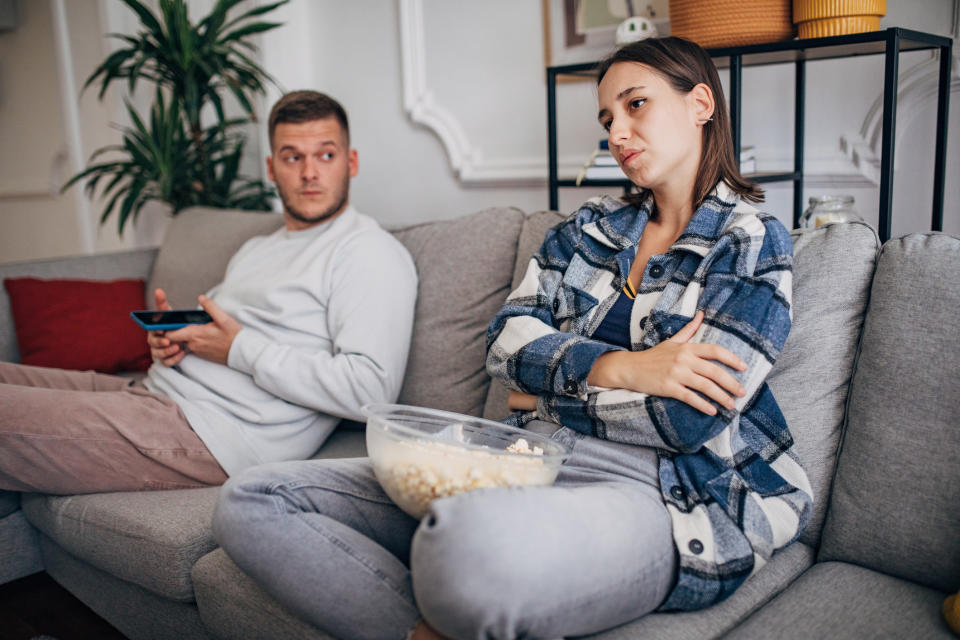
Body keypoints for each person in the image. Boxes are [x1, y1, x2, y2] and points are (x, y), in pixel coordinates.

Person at [212, 38, 812, 639]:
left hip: (658, 490)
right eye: (608, 119)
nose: (618, 133)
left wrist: (543, 394)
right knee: (252, 499)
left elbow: (687, 421)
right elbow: (505, 342)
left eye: (635, 105)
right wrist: (626, 369)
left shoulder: (751, 241)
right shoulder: (588, 230)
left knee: (462, 550)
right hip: (524, 459)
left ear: (700, 103)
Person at [0, 90, 418, 495]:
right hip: (154, 391)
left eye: (326, 155)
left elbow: (371, 390)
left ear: (351, 162)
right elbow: (221, 331)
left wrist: (237, 348)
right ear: (272, 169)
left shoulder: (369, 251)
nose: (310, 172)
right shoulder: (258, 247)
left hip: (209, 430)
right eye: (293, 157)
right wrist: (175, 340)